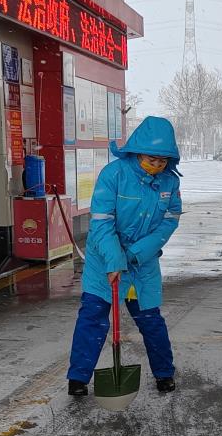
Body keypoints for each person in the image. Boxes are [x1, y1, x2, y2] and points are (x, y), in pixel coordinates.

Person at [68, 116, 182, 397]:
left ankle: (164, 373)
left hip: (142, 263)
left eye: (162, 161)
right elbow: (102, 221)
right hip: (104, 260)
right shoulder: (114, 174)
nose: (157, 166)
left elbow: (170, 220)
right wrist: (115, 260)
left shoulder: (169, 182)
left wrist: (139, 252)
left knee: (151, 320)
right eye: (151, 160)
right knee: (93, 317)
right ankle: (78, 378)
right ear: (138, 152)